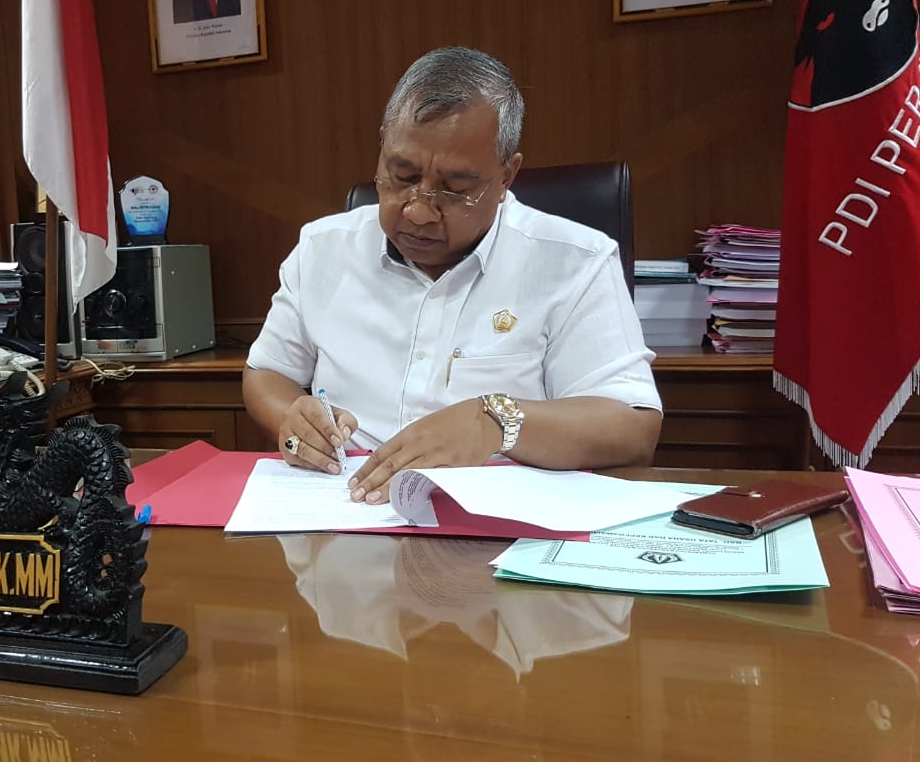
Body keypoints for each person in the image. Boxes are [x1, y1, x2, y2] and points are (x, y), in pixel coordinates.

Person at [242, 46, 663, 504]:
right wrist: (294, 419)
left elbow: (633, 427)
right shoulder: (323, 248)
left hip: (500, 521)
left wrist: (497, 421)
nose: (419, 211)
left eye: (456, 189)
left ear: (506, 176)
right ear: (382, 148)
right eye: (402, 176)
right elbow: (267, 372)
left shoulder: (575, 261)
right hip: (343, 510)